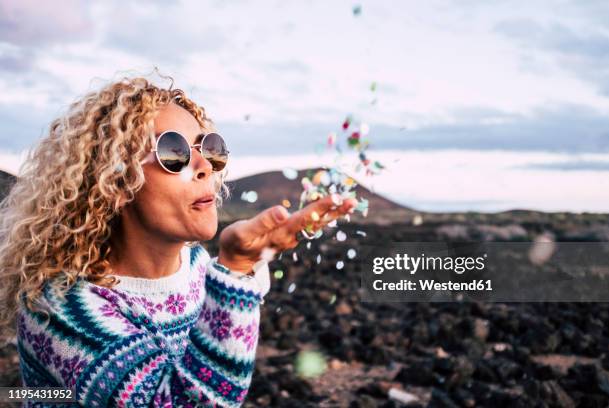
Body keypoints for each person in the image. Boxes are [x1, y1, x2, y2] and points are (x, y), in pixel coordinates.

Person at [0, 76, 356, 407]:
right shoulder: (62, 311)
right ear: (113, 181)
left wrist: (252, 260)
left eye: (210, 149)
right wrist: (236, 270)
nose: (204, 165)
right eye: (174, 153)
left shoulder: (197, 265)